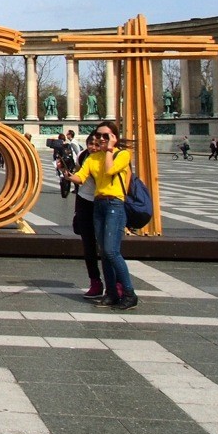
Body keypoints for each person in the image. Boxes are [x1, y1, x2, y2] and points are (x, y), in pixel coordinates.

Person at [70, 120, 138, 310]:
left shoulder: (123, 154)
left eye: (105, 136)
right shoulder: (92, 158)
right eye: (98, 135)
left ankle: (129, 293)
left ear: (114, 137)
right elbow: (81, 177)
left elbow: (110, 170)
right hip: (99, 204)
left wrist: (109, 149)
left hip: (115, 204)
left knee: (111, 251)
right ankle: (111, 293)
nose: (100, 139)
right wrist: (68, 174)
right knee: (103, 252)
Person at [70, 133, 104, 299]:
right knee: (88, 245)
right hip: (84, 201)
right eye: (90, 143)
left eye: (97, 144)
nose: (93, 147)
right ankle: (95, 282)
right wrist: (67, 174)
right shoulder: (84, 157)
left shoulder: (109, 157)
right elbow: (79, 176)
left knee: (108, 248)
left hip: (104, 202)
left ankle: (116, 283)